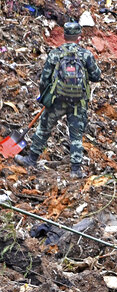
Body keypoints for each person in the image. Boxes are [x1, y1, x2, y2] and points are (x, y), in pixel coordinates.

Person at [15, 22, 103, 177]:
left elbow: (44, 79)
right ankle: (76, 170)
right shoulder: (85, 54)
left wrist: (45, 97)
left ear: (64, 36)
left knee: (44, 129)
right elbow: (97, 76)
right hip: (78, 102)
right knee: (76, 135)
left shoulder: (55, 54)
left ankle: (31, 159)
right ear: (79, 37)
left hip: (57, 100)